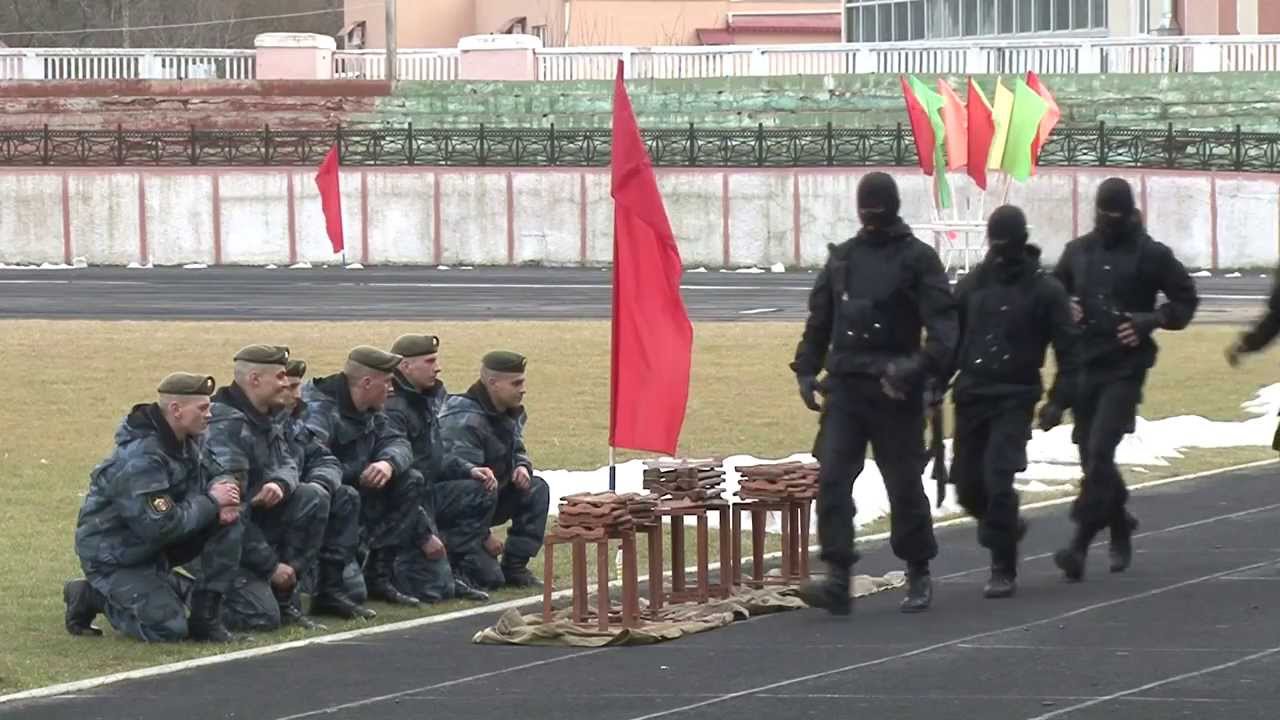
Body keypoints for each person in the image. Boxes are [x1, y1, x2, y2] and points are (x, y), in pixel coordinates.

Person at [791, 171, 959, 616]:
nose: (871, 215)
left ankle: (918, 567)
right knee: (831, 479)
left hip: (895, 388)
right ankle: (838, 576)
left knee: (902, 484)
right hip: (846, 386)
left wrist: (918, 369)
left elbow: (944, 330)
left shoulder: (918, 259)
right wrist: (806, 369)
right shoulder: (843, 259)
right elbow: (819, 321)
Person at [1044, 177, 1199, 580]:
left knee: (1099, 452)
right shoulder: (1078, 252)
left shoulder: (1151, 254)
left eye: (1116, 214)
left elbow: (1185, 299)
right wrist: (1066, 304)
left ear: (1129, 213)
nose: (1109, 220)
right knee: (1091, 460)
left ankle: (1077, 546)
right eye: (1103, 214)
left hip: (1126, 368)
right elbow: (1051, 291)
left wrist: (1152, 320)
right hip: (1084, 365)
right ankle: (1118, 521)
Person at [949, 205, 1079, 598]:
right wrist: (930, 383)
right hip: (971, 394)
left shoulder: (1045, 290)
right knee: (968, 488)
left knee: (998, 477)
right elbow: (949, 342)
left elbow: (1069, 352)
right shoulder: (972, 285)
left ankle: (1002, 565)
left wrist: (1058, 401)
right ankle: (1004, 525)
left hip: (1015, 395)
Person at [65, 372, 244, 642]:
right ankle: (92, 595)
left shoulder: (190, 438)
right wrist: (212, 501)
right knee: (169, 629)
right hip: (116, 556)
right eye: (203, 408)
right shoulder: (142, 458)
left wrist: (226, 495)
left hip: (152, 549)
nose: (210, 414)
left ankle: (205, 614)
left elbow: (219, 470)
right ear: (176, 409)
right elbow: (161, 526)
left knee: (228, 523)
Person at [203, 344, 330, 632]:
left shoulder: (267, 417)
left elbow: (289, 464)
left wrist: (280, 483)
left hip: (250, 530)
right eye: (280, 377)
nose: (287, 385)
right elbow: (232, 511)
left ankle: (285, 596)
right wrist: (270, 566)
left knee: (313, 496)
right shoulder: (226, 425)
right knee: (259, 617)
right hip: (215, 539)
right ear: (255, 379)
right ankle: (176, 586)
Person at [301, 345, 430, 610]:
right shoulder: (319, 410)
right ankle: (328, 585)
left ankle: (378, 573)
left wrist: (387, 464)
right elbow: (312, 463)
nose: (392, 389)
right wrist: (361, 472)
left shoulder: (371, 410)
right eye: (387, 382)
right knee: (354, 592)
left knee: (411, 478)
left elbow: (399, 444)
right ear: (367, 382)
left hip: (359, 506)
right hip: (328, 512)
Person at [384, 333, 489, 603]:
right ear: (405, 367)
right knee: (437, 591)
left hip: (426, 495)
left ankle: (452, 563)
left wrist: (468, 469)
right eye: (429, 361)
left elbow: (433, 455)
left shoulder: (422, 399)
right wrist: (425, 534)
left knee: (479, 489)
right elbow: (401, 481)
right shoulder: (395, 407)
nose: (437, 367)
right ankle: (397, 569)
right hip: (402, 504)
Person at [436, 351, 549, 590]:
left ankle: (515, 566)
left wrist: (521, 466)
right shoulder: (464, 418)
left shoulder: (506, 413)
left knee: (536, 487)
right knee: (490, 579)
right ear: (493, 383)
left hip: (487, 497)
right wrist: (485, 536)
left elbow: (517, 447)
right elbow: (465, 485)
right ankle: (456, 560)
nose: (523, 389)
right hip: (454, 510)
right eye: (516, 383)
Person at [279, 357, 374, 621]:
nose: (298, 396)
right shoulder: (240, 426)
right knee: (260, 615)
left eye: (299, 386)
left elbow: (325, 459)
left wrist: (320, 484)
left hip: (292, 516)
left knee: (343, 495)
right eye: (290, 387)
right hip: (257, 529)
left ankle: (328, 591)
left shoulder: (291, 422)